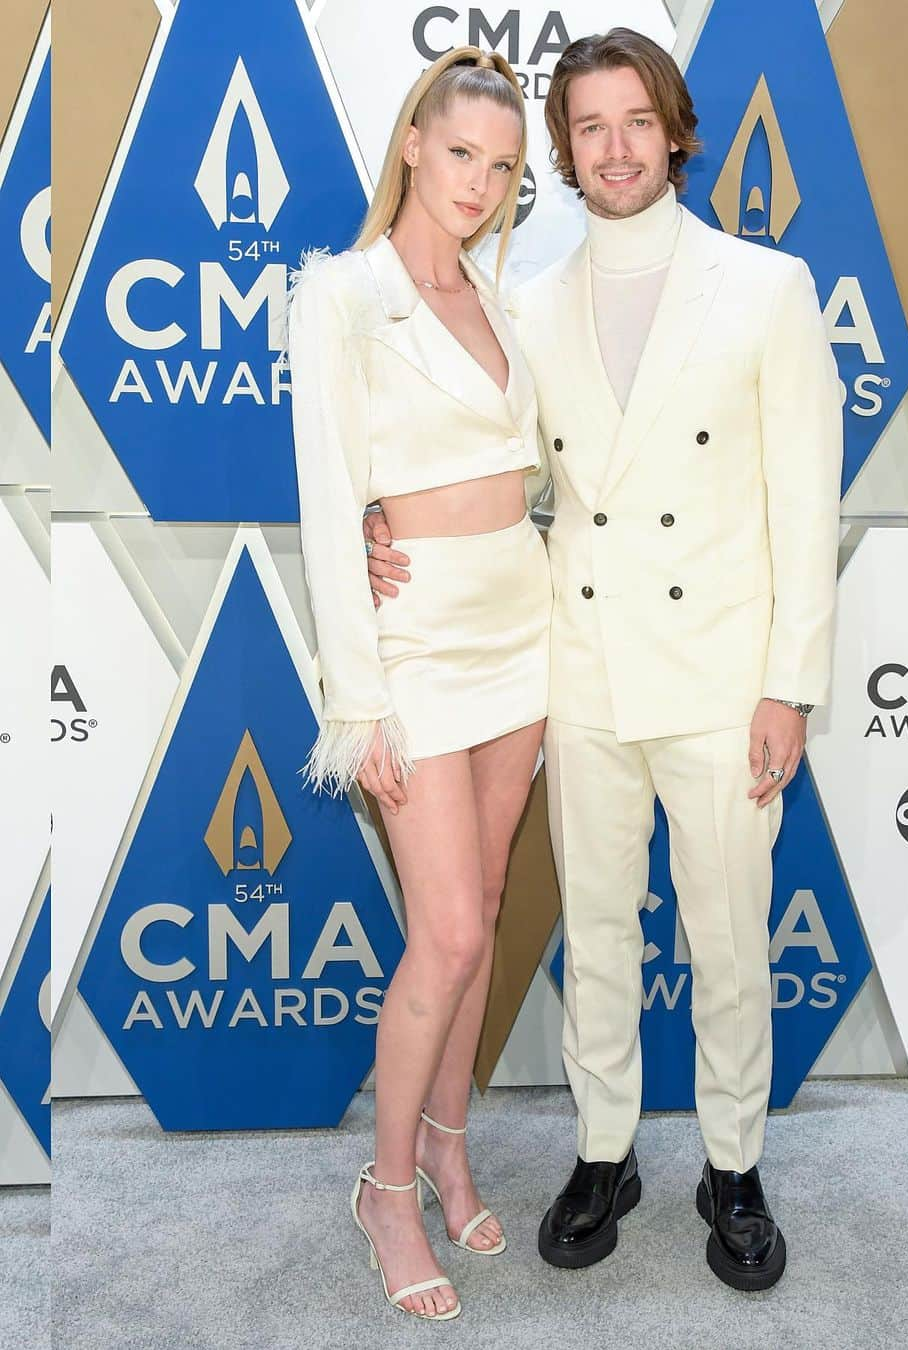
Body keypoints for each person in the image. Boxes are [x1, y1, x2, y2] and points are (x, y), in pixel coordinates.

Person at [366, 28, 843, 1292]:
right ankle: (605, 1149)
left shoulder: (767, 287)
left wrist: (789, 681)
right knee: (599, 936)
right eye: (589, 128)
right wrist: (380, 521)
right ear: (562, 154)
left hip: (723, 670)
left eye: (637, 121)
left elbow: (807, 502)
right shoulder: (527, 303)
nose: (616, 147)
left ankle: (732, 1166)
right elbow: (461, 447)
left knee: (731, 937)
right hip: (578, 669)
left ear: (673, 131)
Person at [286, 47, 552, 1322]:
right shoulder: (338, 297)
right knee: (443, 930)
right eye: (461, 155)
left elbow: (535, 467)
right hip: (419, 646)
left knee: (488, 900)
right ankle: (387, 1187)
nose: (481, 184)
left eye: (503, 168)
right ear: (410, 144)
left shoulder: (507, 299)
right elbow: (331, 506)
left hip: (525, 622)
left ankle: (449, 1140)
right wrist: (359, 696)